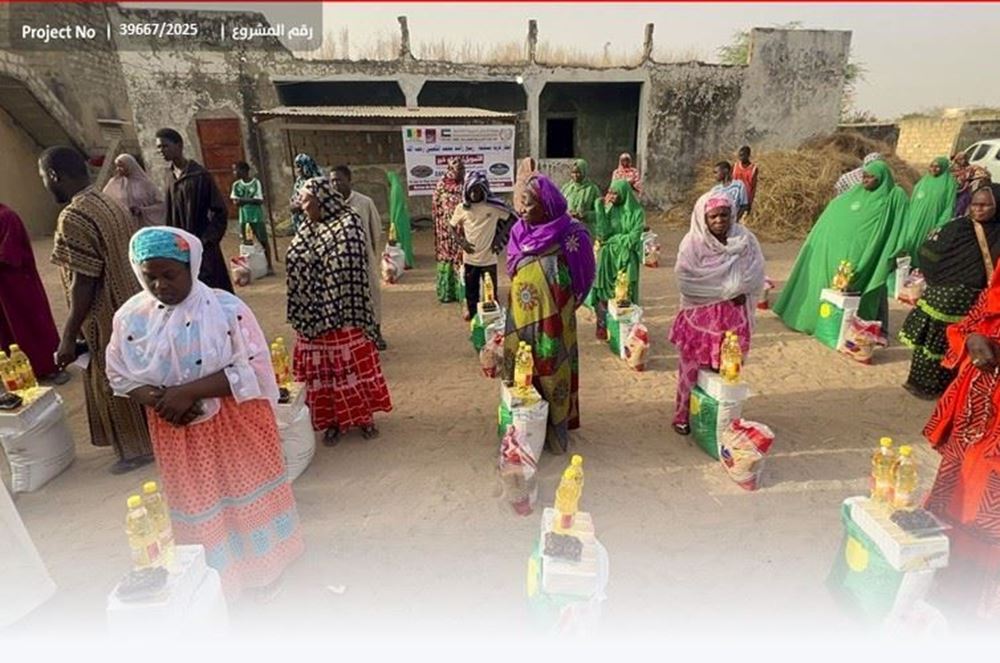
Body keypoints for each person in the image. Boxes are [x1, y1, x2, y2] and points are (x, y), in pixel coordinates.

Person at [106, 226, 304, 599]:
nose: (161, 285)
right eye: (150, 276)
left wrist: (190, 391)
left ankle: (265, 568)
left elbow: (254, 367)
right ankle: (218, 576)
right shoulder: (131, 318)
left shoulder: (225, 309)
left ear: (190, 267)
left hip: (234, 422)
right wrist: (161, 400)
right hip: (176, 429)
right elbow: (118, 372)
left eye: (170, 274)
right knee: (201, 500)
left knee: (243, 490)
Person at [39, 146, 152, 474]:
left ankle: (135, 450)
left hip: (106, 316)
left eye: (45, 178)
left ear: (56, 176)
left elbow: (83, 282)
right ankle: (144, 440)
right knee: (132, 373)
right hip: (129, 306)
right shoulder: (108, 201)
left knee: (114, 380)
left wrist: (69, 336)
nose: (47, 185)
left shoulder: (74, 216)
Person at [921, 251, 1000, 625]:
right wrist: (973, 339)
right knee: (961, 494)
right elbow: (972, 320)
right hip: (976, 420)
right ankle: (952, 585)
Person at [286, 177, 392, 446]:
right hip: (312, 317)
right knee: (324, 373)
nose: (303, 208)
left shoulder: (349, 223)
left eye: (307, 202)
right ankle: (332, 421)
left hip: (345, 313)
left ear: (322, 200)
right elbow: (295, 262)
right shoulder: (307, 228)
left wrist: (323, 282)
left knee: (351, 368)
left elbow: (347, 266)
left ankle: (364, 417)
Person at [504, 174, 595, 454]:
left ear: (547, 206)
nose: (522, 210)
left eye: (529, 204)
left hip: (554, 320)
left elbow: (584, 275)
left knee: (552, 366)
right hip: (520, 318)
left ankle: (555, 430)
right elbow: (512, 265)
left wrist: (565, 306)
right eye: (521, 203)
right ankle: (523, 429)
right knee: (521, 367)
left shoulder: (572, 233)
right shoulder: (519, 231)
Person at [774, 160, 908, 335]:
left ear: (882, 178)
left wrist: (896, 250)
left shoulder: (892, 197)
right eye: (864, 177)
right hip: (836, 252)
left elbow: (898, 226)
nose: (865, 181)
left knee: (873, 288)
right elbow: (837, 209)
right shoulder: (854, 194)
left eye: (870, 177)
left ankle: (872, 329)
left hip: (870, 254)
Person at [669, 193, 765, 436]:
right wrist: (726, 291)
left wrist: (739, 289)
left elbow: (755, 272)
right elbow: (687, 282)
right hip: (699, 321)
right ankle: (683, 415)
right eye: (713, 216)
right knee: (690, 370)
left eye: (724, 215)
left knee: (726, 371)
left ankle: (716, 419)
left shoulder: (745, 240)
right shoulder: (692, 244)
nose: (720, 220)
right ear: (704, 218)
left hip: (732, 319)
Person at [900, 185, 1000, 400]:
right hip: (943, 298)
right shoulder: (957, 228)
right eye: (974, 204)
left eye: (985, 205)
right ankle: (921, 386)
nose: (978, 209)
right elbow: (927, 252)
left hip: (974, 302)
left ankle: (948, 389)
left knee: (958, 346)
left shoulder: (998, 232)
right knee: (932, 342)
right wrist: (939, 281)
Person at [155, 128, 233, 293]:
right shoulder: (169, 177)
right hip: (181, 248)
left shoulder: (199, 176)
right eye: (159, 148)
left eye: (165, 146)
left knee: (211, 289)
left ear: (179, 145)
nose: (161, 151)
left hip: (201, 246)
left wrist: (206, 241)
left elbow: (220, 211)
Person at [0, 203, 66, 384]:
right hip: (3, 291)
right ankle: (15, 371)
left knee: (31, 325)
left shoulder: (7, 217)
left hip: (18, 286)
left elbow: (9, 256)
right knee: (7, 332)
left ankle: (48, 367)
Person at [449, 170, 516, 321]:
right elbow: (451, 226)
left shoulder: (492, 207)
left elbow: (512, 218)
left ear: (483, 190)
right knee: (471, 290)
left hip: (489, 258)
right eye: (471, 190)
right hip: (470, 258)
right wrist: (461, 242)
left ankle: (491, 319)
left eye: (477, 189)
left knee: (490, 290)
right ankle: (473, 315)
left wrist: (499, 239)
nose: (473, 193)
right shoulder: (462, 208)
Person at [332, 165, 386, 350]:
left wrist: (370, 253)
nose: (335, 184)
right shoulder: (331, 205)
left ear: (349, 180)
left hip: (364, 258)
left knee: (372, 293)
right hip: (340, 263)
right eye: (332, 181)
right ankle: (355, 336)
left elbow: (375, 229)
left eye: (339, 180)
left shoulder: (364, 202)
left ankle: (377, 332)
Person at [591, 178, 645, 340]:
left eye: (615, 193)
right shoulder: (609, 210)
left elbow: (633, 238)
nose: (612, 197)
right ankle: (603, 326)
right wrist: (599, 209)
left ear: (624, 193)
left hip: (626, 259)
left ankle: (626, 332)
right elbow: (602, 234)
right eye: (610, 193)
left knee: (624, 294)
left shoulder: (637, 213)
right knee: (602, 292)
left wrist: (614, 240)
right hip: (607, 258)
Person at [892, 157, 958, 268]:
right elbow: (912, 201)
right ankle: (906, 267)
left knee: (924, 245)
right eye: (932, 166)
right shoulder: (923, 181)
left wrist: (940, 226)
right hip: (914, 219)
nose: (933, 169)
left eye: (937, 166)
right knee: (909, 242)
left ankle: (920, 269)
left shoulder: (949, 184)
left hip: (931, 221)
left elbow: (949, 207)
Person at [230, 160, 274, 275]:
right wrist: (250, 200)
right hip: (244, 218)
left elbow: (259, 200)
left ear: (244, 171)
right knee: (247, 243)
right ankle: (250, 268)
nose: (234, 172)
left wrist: (243, 200)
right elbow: (235, 202)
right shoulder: (236, 185)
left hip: (256, 217)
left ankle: (269, 266)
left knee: (263, 240)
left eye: (236, 170)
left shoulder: (255, 183)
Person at [432, 157, 465, 304]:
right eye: (459, 169)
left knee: (460, 257)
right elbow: (435, 207)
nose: (462, 172)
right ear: (451, 170)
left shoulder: (465, 186)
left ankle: (461, 292)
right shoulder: (441, 186)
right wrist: (442, 226)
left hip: (461, 229)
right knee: (447, 258)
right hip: (445, 231)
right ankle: (447, 292)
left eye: (463, 169)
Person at [102, 153, 166, 226]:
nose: (118, 169)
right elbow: (105, 201)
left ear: (130, 166)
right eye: (117, 166)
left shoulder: (146, 184)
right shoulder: (113, 184)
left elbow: (161, 205)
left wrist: (142, 210)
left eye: (121, 166)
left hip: (143, 224)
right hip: (123, 226)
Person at [561, 158, 602, 234]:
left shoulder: (592, 189)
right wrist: (568, 214)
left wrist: (585, 215)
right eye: (573, 172)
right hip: (568, 229)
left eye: (578, 172)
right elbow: (559, 208)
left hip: (586, 230)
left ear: (584, 172)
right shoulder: (566, 188)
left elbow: (600, 212)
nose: (575, 175)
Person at [386, 171, 414, 269]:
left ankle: (405, 262)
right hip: (402, 219)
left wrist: (393, 221)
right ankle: (406, 261)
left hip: (398, 219)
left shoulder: (395, 190)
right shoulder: (397, 188)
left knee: (400, 241)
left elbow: (395, 208)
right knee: (404, 240)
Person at [290, 153, 323, 234]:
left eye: (299, 166)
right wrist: (292, 204)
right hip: (299, 218)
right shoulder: (299, 181)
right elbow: (294, 196)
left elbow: (320, 200)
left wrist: (302, 205)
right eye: (296, 167)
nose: (297, 170)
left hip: (312, 217)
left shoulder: (318, 180)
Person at [732, 146, 759, 214]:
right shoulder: (735, 166)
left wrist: (750, 202)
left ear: (748, 155)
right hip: (734, 197)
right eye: (740, 155)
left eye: (743, 155)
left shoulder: (753, 169)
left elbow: (753, 187)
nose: (740, 158)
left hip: (745, 199)